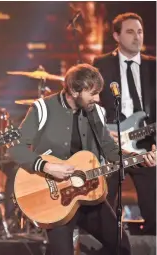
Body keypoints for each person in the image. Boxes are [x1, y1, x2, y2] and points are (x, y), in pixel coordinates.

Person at [8, 63, 156, 255]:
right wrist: (47, 167)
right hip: (56, 199)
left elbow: (110, 150)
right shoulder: (43, 108)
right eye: (92, 93)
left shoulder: (96, 113)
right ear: (74, 91)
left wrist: (139, 158)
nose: (98, 98)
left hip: (89, 195)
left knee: (121, 247)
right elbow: (16, 149)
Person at [93, 12, 156, 235]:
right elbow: (91, 105)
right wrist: (102, 133)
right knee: (102, 207)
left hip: (146, 145)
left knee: (154, 210)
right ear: (116, 36)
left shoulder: (153, 66)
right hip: (111, 144)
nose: (137, 37)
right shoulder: (101, 64)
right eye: (130, 32)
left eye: (140, 32)